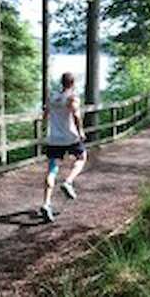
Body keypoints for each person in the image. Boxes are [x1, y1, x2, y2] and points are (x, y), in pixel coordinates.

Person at [40, 72, 87, 222]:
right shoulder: (72, 97)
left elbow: (45, 115)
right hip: (70, 137)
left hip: (54, 138)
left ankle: (46, 203)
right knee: (82, 157)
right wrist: (80, 131)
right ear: (72, 83)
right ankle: (68, 181)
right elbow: (76, 115)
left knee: (52, 169)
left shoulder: (52, 97)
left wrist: (44, 129)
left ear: (61, 83)